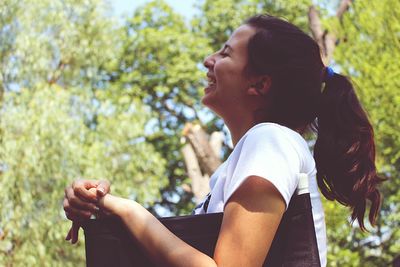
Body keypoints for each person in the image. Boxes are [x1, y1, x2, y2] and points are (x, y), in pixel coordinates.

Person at [63, 14, 384, 266]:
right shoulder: (235, 168)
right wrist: (104, 207)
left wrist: (129, 211)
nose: (208, 60)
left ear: (259, 84)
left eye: (226, 53)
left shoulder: (270, 141)